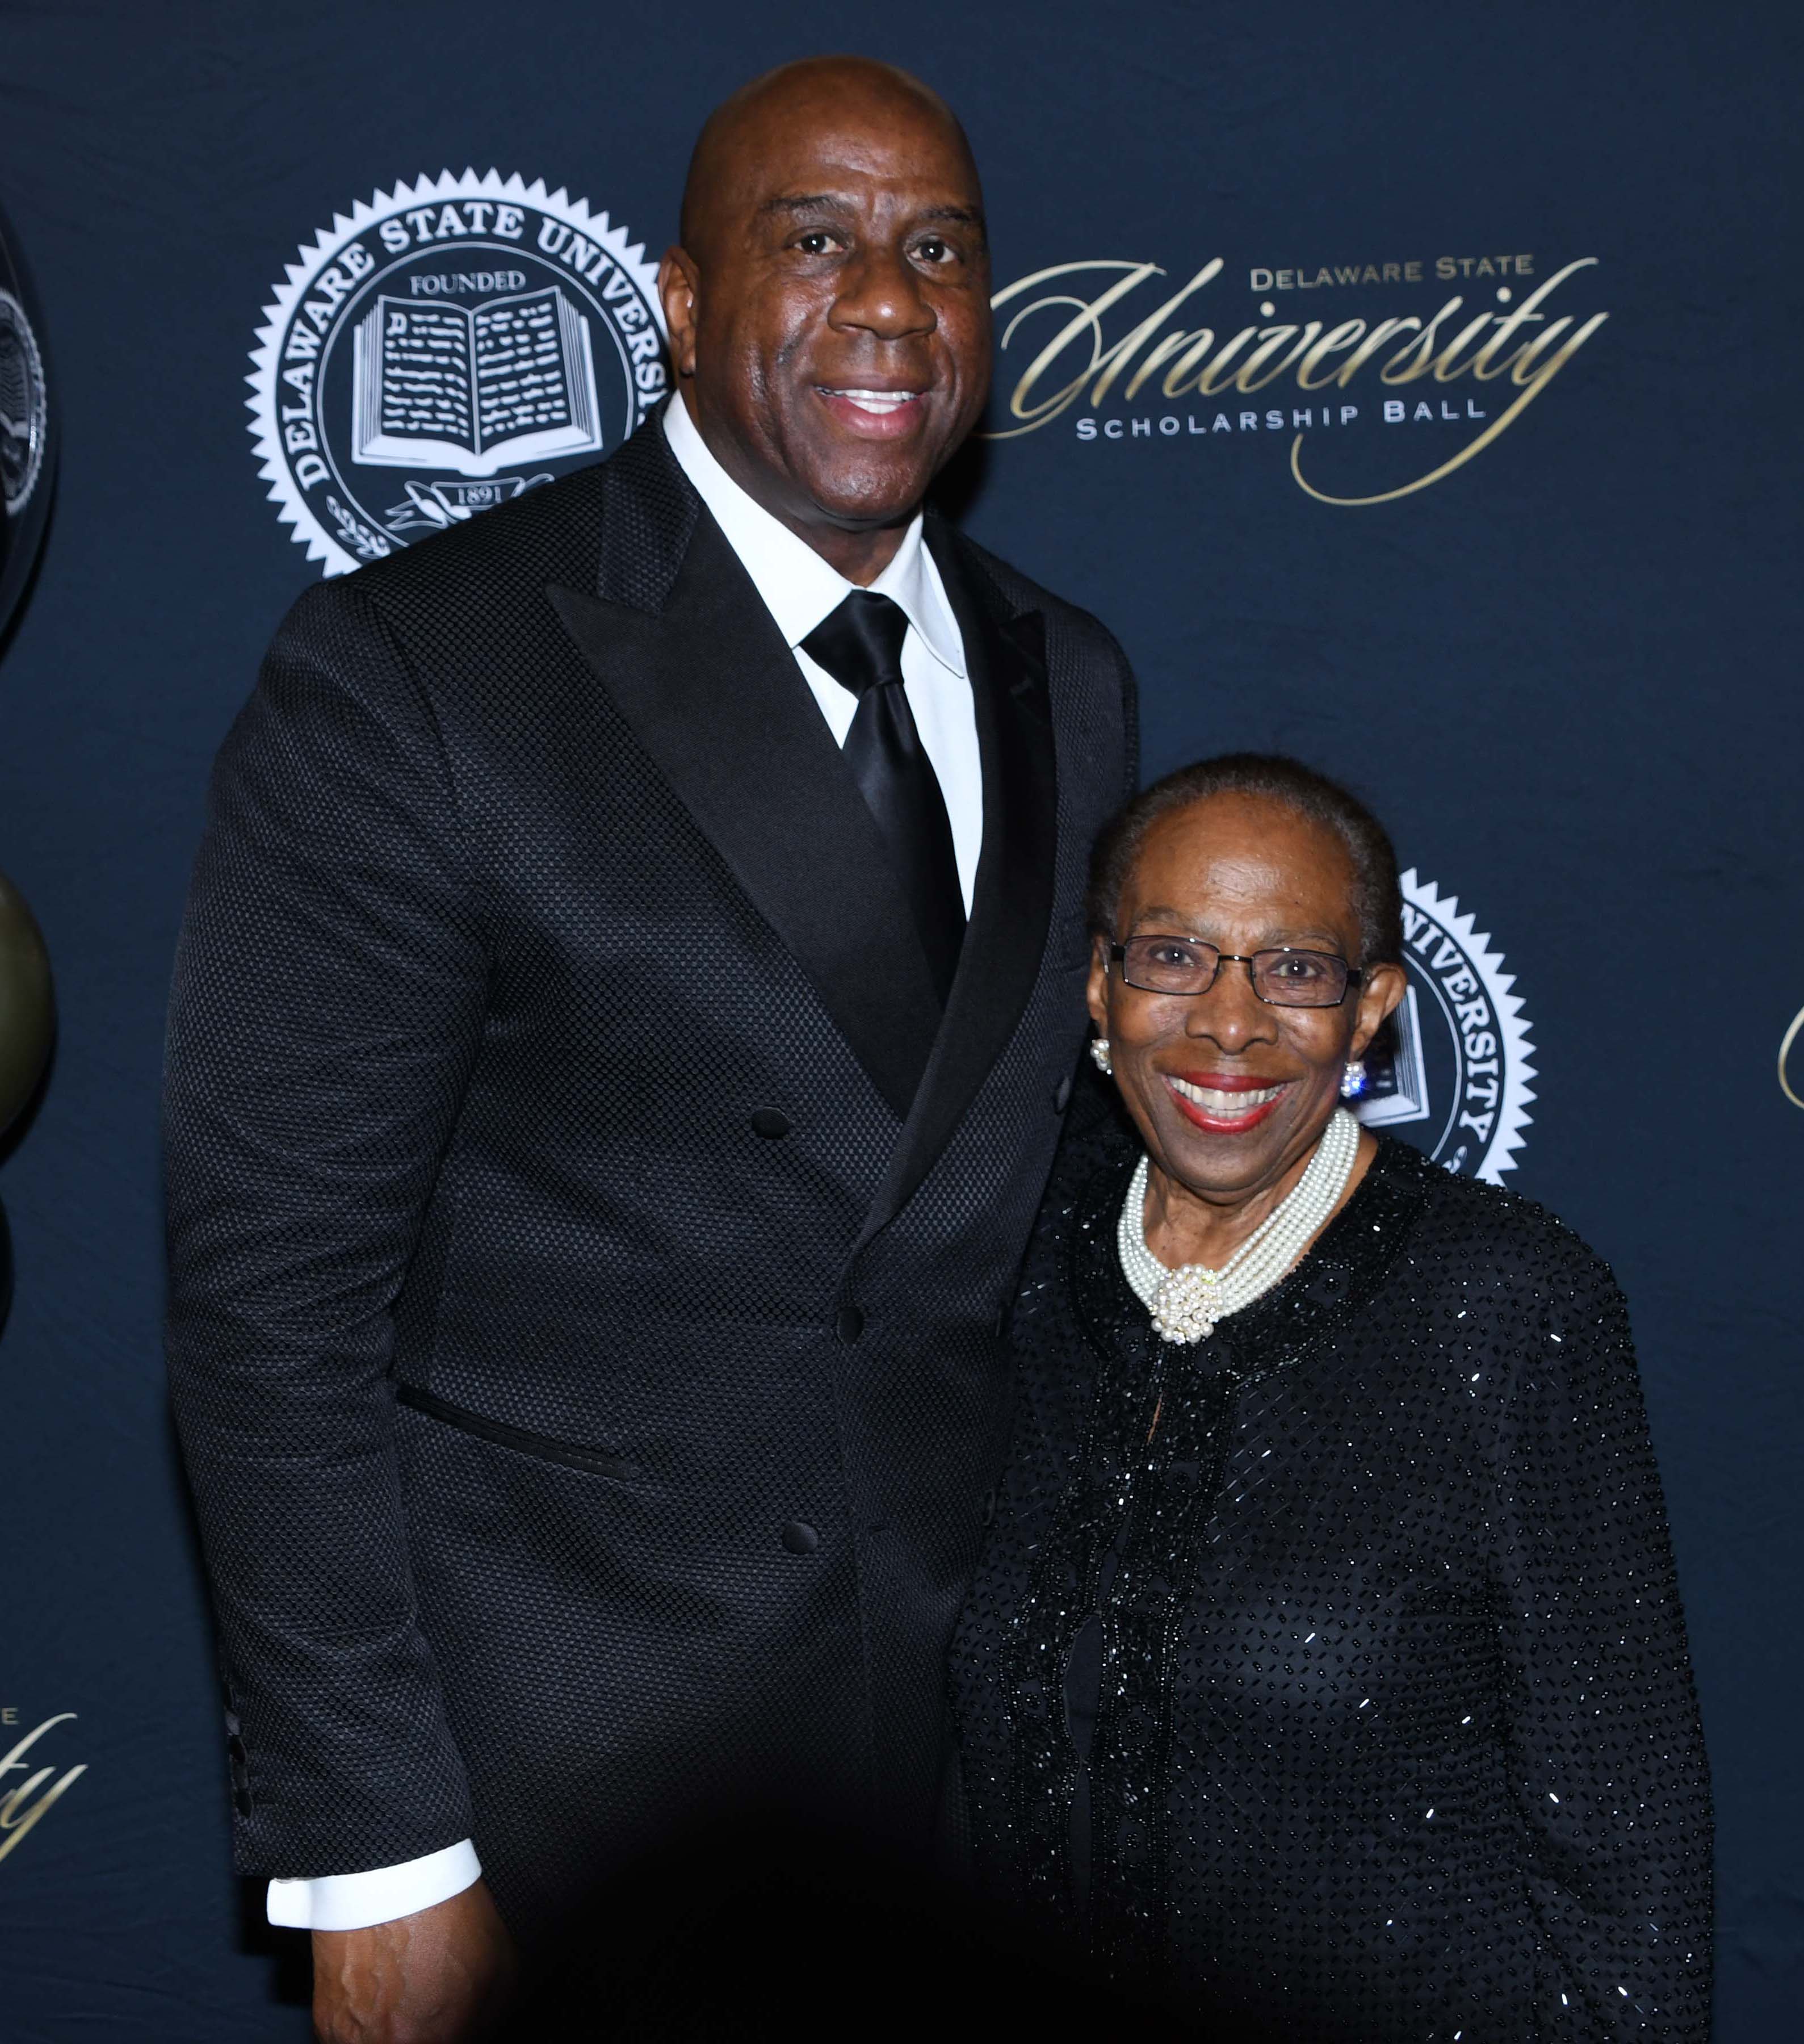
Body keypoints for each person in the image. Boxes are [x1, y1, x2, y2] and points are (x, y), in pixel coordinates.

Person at [163, 56, 1135, 2041]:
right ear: (681, 309)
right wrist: (379, 1848)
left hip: (955, 1784)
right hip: (556, 1793)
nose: (886, 300)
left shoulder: (1070, 674)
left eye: (935, 249)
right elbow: (271, 1301)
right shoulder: (421, 668)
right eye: (814, 242)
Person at [947, 755, 1712, 2041]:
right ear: (1097, 982)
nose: (1229, 1023)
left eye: (1293, 969)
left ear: (1370, 1010)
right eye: (1174, 956)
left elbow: (1627, 1843)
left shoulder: (1510, 1303)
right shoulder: (1011, 1262)